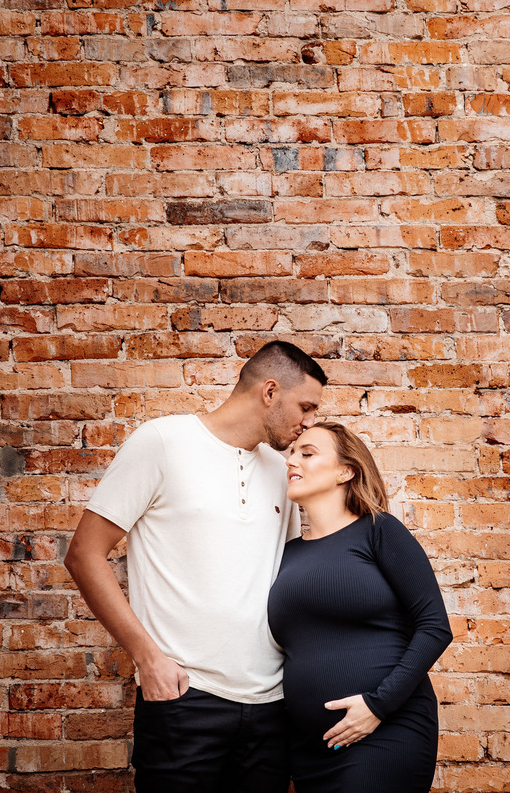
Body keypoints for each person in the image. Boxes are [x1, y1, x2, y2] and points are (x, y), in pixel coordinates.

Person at [64, 340, 327, 793]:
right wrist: (148, 658)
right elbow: (84, 553)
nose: (310, 422)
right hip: (184, 697)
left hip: (270, 707)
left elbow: (283, 579)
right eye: (305, 406)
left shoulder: (282, 473)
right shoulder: (163, 442)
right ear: (269, 392)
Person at [268, 422, 453, 793]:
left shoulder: (378, 531)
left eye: (307, 453)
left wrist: (377, 707)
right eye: (291, 453)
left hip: (384, 729)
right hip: (309, 749)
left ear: (345, 470)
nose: (292, 461)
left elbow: (435, 627)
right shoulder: (286, 555)